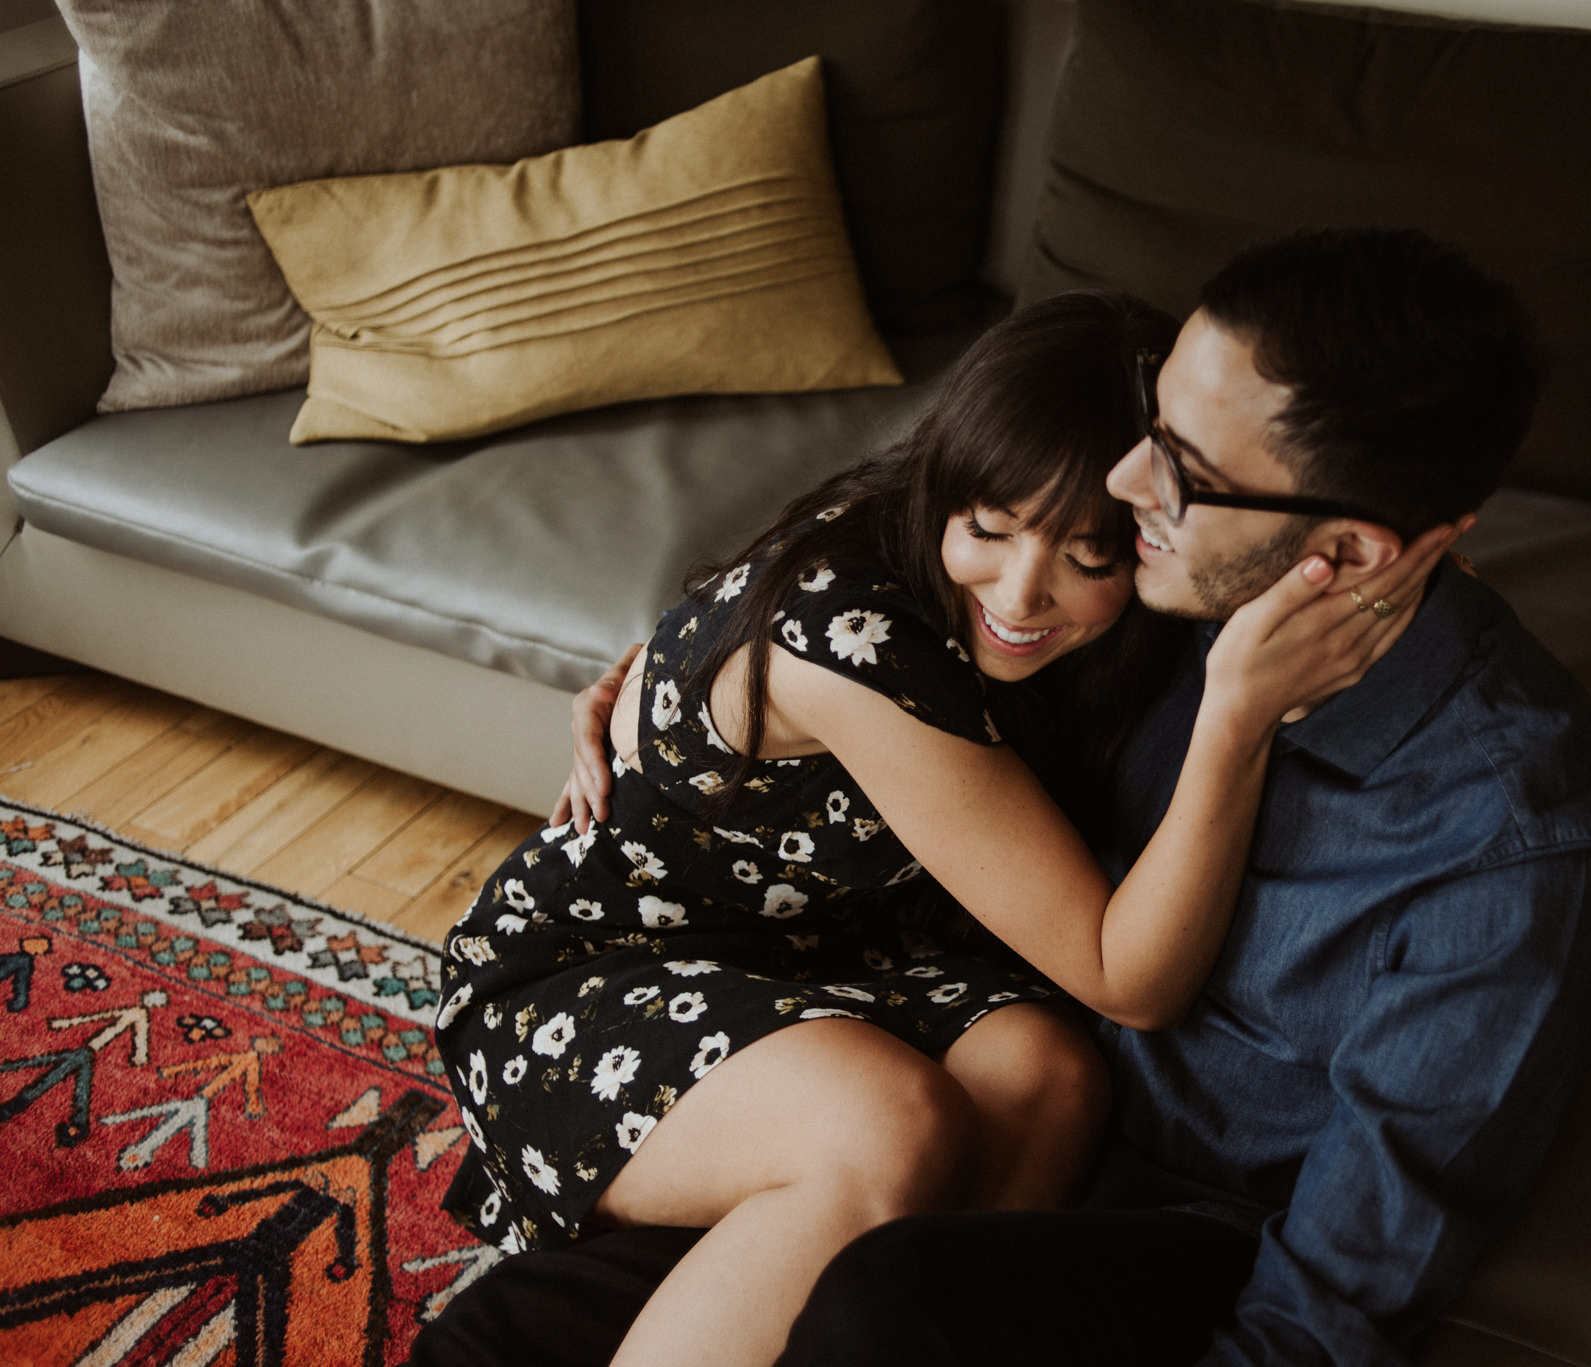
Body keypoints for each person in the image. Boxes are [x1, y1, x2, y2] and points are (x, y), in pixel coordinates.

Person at [426, 288, 1455, 1367]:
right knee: (885, 1122)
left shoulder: (1140, 586)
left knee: (1046, 1076)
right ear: (942, 487)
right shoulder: (858, 641)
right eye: (987, 527)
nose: (1021, 592)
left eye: (1088, 558)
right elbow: (1130, 976)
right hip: (594, 970)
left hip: (832, 950)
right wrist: (1233, 716)